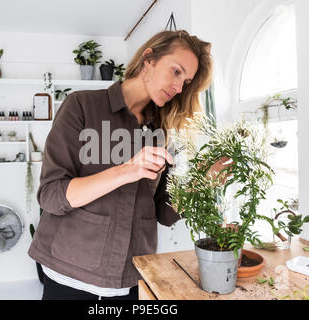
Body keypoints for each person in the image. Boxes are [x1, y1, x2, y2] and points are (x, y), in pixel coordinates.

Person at [28, 29, 227, 300]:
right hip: (69, 274)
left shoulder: (161, 132)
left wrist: (202, 182)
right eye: (176, 71)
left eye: (187, 81)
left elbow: (163, 212)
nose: (179, 88)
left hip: (131, 277)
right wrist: (126, 170)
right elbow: (51, 195)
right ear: (149, 59)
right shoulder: (82, 106)